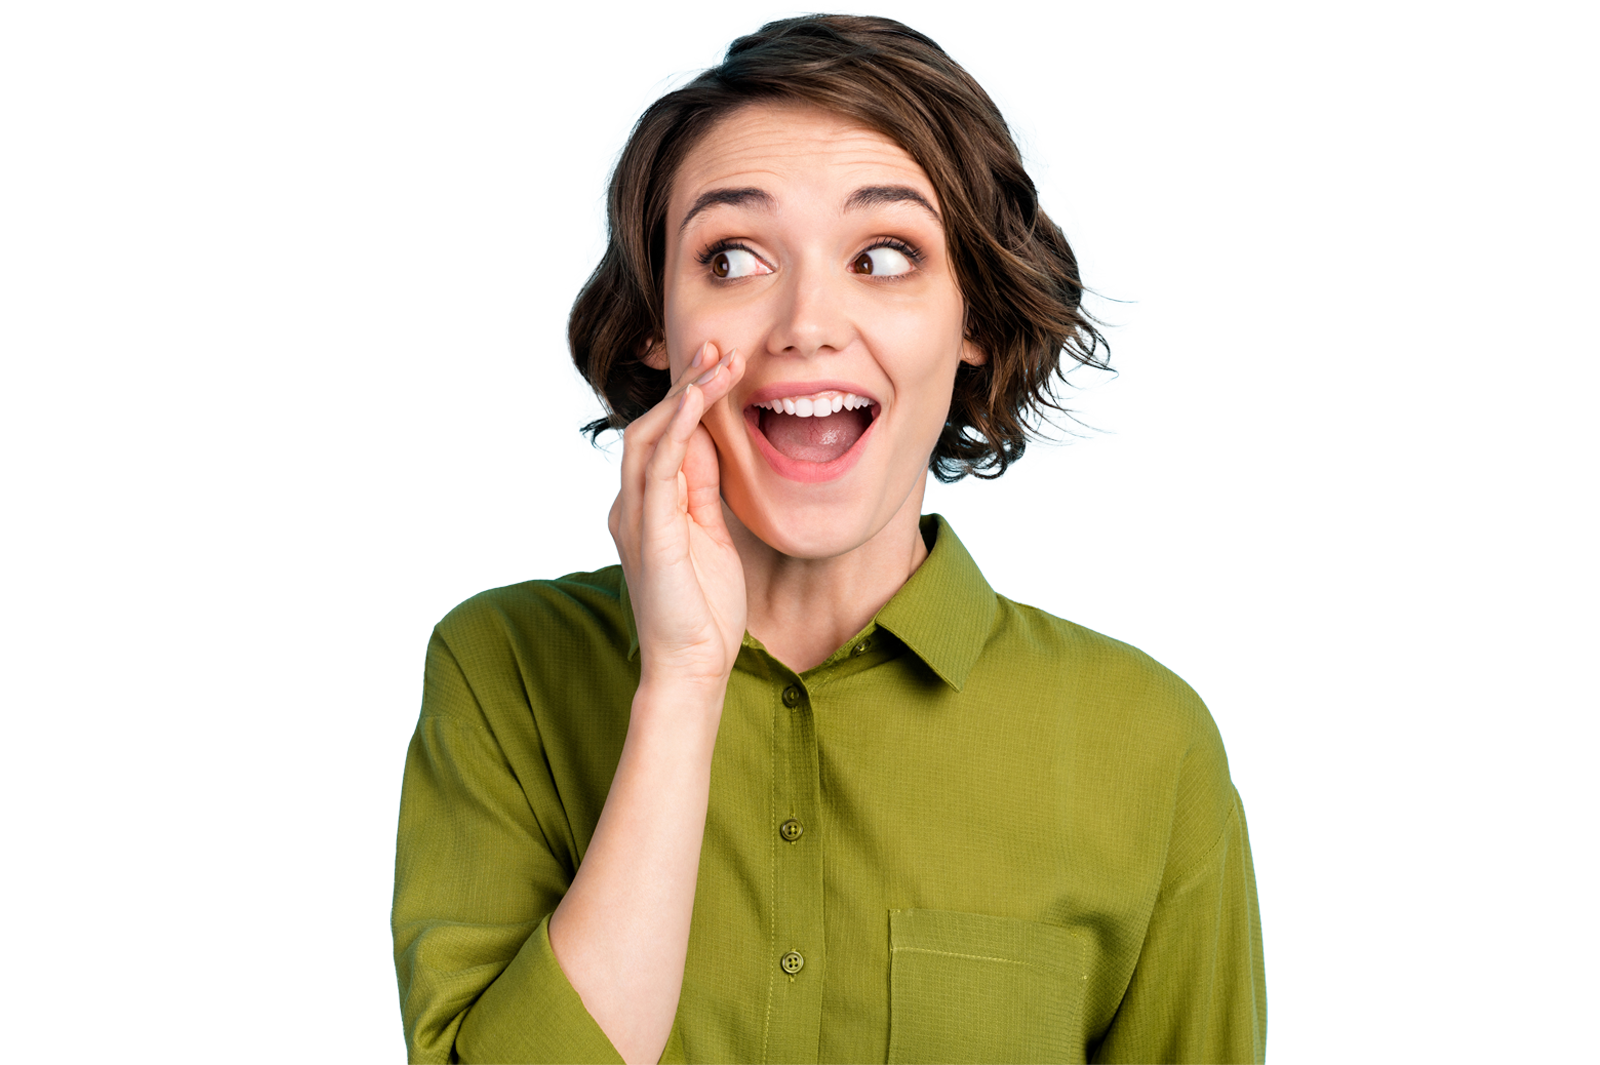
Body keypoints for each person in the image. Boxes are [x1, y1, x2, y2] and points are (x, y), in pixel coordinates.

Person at [391, 12, 1265, 1065]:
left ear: (971, 316)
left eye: (885, 255)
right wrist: (680, 679)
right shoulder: (505, 669)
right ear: (655, 325)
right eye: (734, 257)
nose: (808, 320)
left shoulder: (1146, 742)